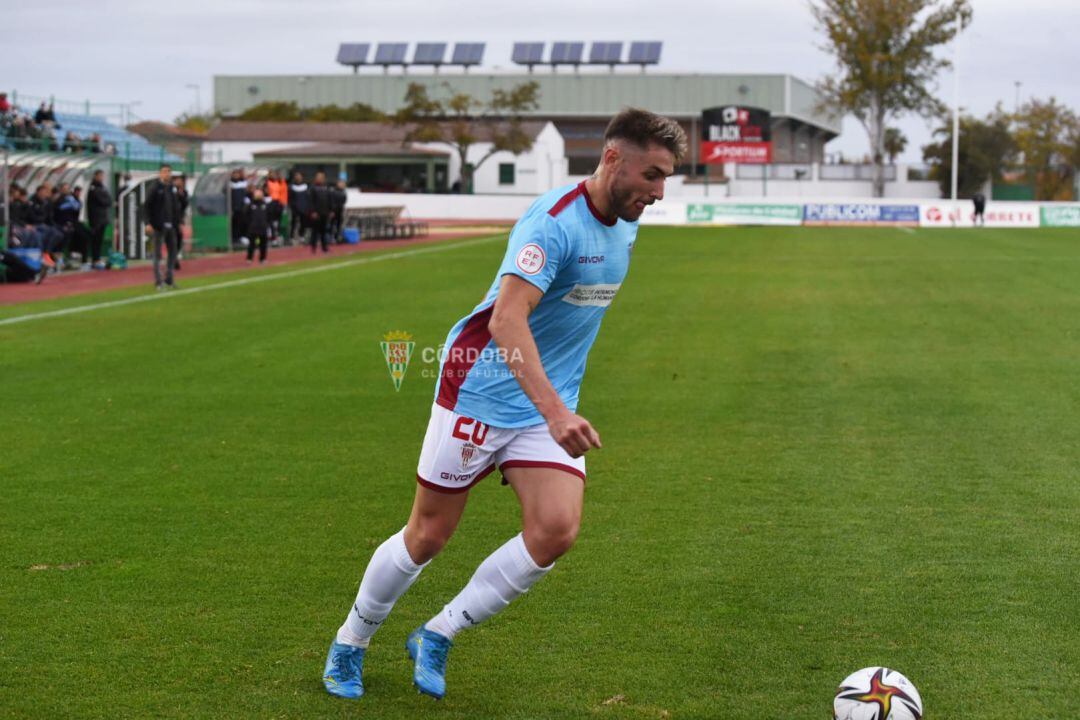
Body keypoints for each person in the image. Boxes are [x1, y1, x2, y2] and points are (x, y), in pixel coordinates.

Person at [320, 108, 686, 701]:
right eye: (652, 174)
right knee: (428, 536)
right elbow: (505, 318)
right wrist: (556, 413)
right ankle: (350, 642)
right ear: (613, 158)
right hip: (480, 391)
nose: (659, 192)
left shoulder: (627, 220)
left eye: (667, 178)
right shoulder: (554, 222)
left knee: (556, 529)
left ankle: (438, 633)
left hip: (545, 404)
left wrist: (554, 405)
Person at [143, 164, 182, 290]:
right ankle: (158, 282)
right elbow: (146, 206)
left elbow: (175, 206)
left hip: (171, 225)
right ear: (160, 173)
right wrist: (148, 223)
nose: (167, 174)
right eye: (164, 171)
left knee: (173, 252)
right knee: (157, 254)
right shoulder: (154, 188)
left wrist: (178, 221)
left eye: (169, 171)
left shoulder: (171, 188)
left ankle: (169, 278)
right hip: (158, 226)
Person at [86, 170, 112, 269]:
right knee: (95, 240)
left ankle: (97, 258)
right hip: (95, 219)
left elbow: (108, 200)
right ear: (95, 176)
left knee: (99, 240)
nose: (102, 177)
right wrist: (106, 200)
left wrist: (106, 200)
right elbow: (103, 201)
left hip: (103, 218)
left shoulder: (102, 187)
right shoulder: (93, 188)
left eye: (102, 175)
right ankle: (95, 259)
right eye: (100, 175)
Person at [307, 171, 334, 253]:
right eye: (318, 177)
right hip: (316, 213)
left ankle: (324, 247)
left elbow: (330, 200)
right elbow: (310, 201)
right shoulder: (312, 188)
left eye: (321, 177)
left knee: (324, 231)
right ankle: (313, 247)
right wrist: (313, 211)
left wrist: (331, 210)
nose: (319, 179)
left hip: (325, 212)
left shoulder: (327, 188)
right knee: (315, 231)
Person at [244, 188, 272, 264]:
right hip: (253, 228)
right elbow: (246, 216)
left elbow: (269, 216)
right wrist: (250, 225)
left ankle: (262, 259)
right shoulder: (251, 205)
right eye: (257, 194)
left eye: (260, 194)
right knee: (252, 245)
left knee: (263, 245)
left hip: (263, 228)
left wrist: (267, 224)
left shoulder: (265, 205)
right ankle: (249, 258)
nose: (258, 195)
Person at [287, 171, 310, 245]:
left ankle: (301, 236)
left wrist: (307, 207)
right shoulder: (291, 187)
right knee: (293, 223)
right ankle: (291, 237)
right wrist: (291, 206)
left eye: (299, 176)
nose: (298, 177)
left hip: (304, 208)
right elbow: (289, 198)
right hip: (294, 208)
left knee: (303, 223)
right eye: (296, 176)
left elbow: (308, 198)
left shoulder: (306, 186)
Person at [173, 174, 189, 270]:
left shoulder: (184, 193)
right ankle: (173, 259)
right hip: (171, 219)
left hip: (179, 219)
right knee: (172, 239)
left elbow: (184, 205)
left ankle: (174, 257)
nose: (178, 182)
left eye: (180, 181)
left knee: (179, 238)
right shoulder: (171, 191)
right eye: (177, 180)